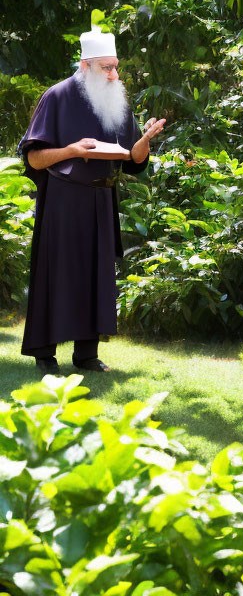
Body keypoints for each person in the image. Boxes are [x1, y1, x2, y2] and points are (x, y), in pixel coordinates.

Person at [18, 28, 166, 373]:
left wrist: (144, 139)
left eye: (115, 67)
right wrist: (71, 150)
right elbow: (34, 160)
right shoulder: (56, 97)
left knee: (95, 277)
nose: (114, 75)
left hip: (102, 200)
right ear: (85, 66)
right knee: (58, 274)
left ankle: (86, 355)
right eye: (106, 68)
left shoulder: (117, 101)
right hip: (62, 202)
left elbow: (134, 160)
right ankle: (45, 353)